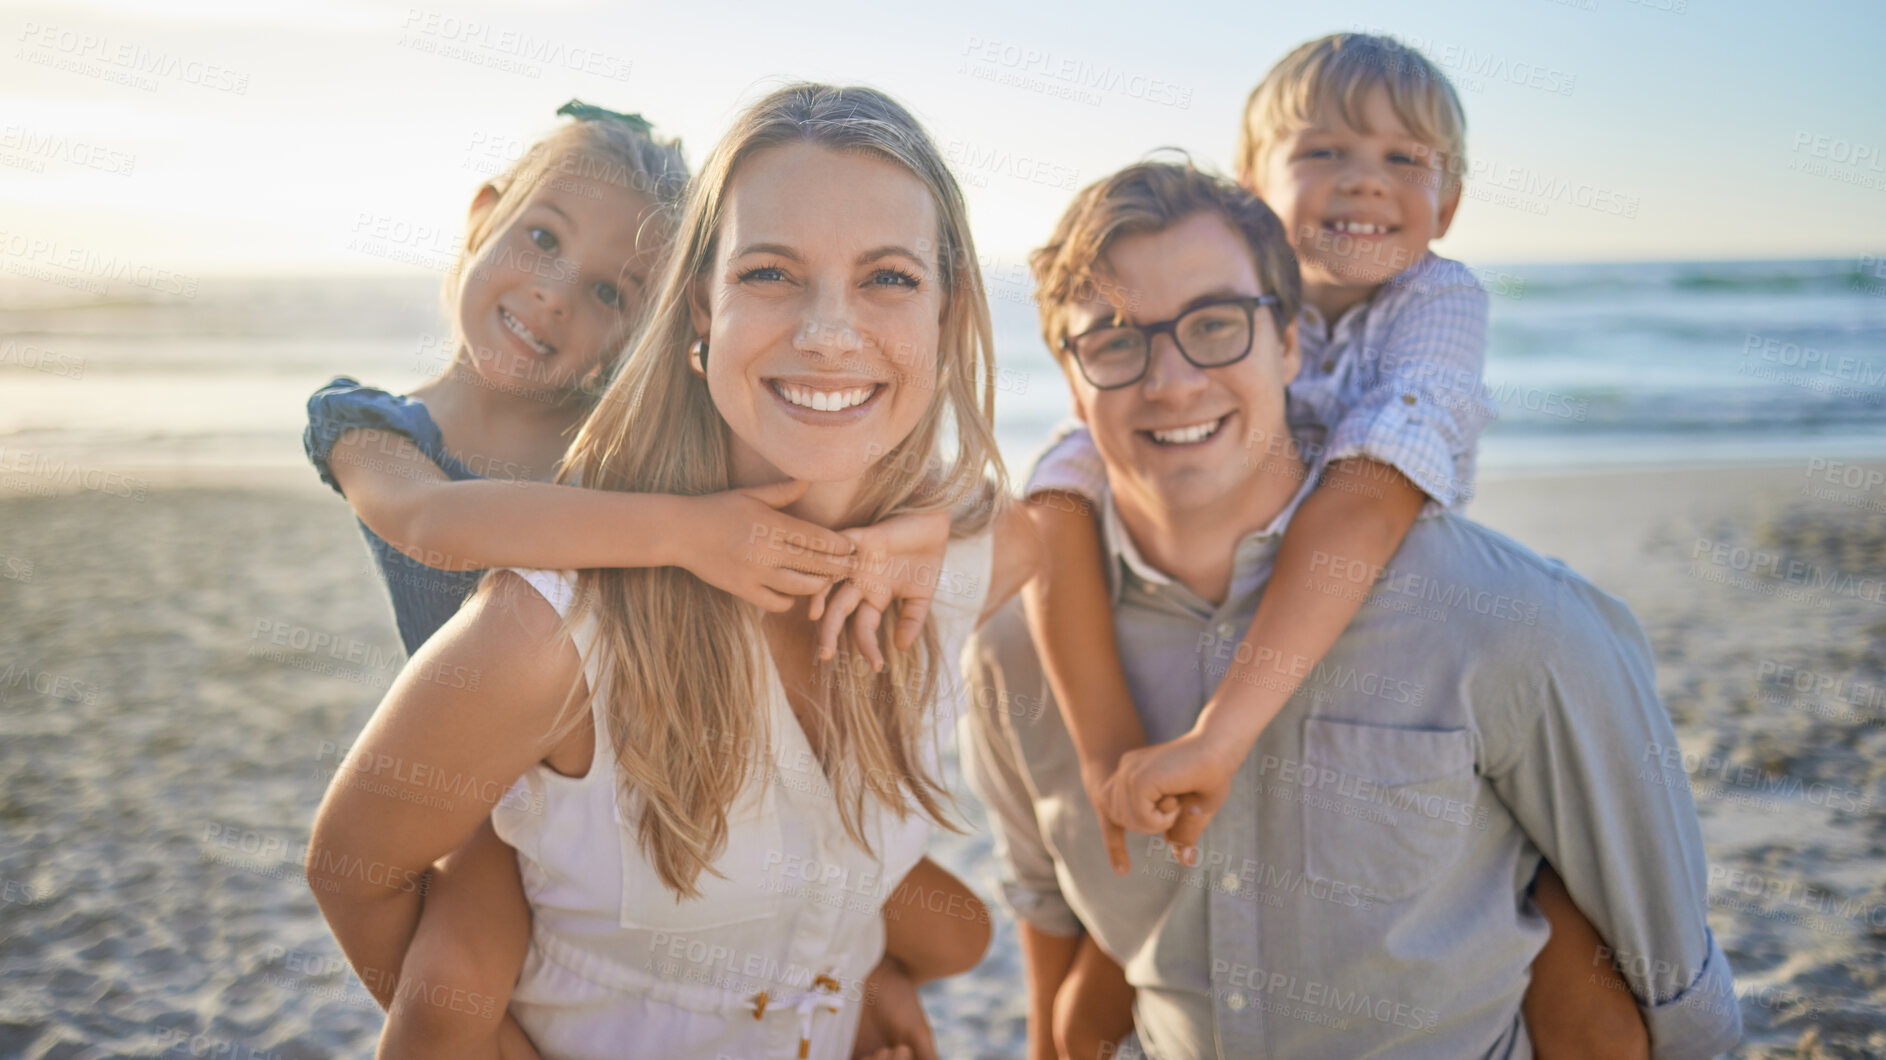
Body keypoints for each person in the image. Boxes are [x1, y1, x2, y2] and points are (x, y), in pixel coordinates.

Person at [307, 83, 1044, 1059]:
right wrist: (687, 535)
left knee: (960, 930)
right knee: (449, 1000)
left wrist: (931, 528)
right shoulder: (546, 622)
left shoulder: (937, 562)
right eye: (772, 272)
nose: (828, 332)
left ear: (949, 310)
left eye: (890, 278)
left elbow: (1055, 527)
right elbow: (352, 862)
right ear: (703, 306)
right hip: (490, 793)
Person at [962, 159, 1741, 1059]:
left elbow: (1672, 981)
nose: (1170, 381)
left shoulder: (1509, 621)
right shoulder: (1017, 649)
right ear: (1068, 379)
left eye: (1215, 324)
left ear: (1289, 341)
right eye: (1113, 340)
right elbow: (1046, 921)